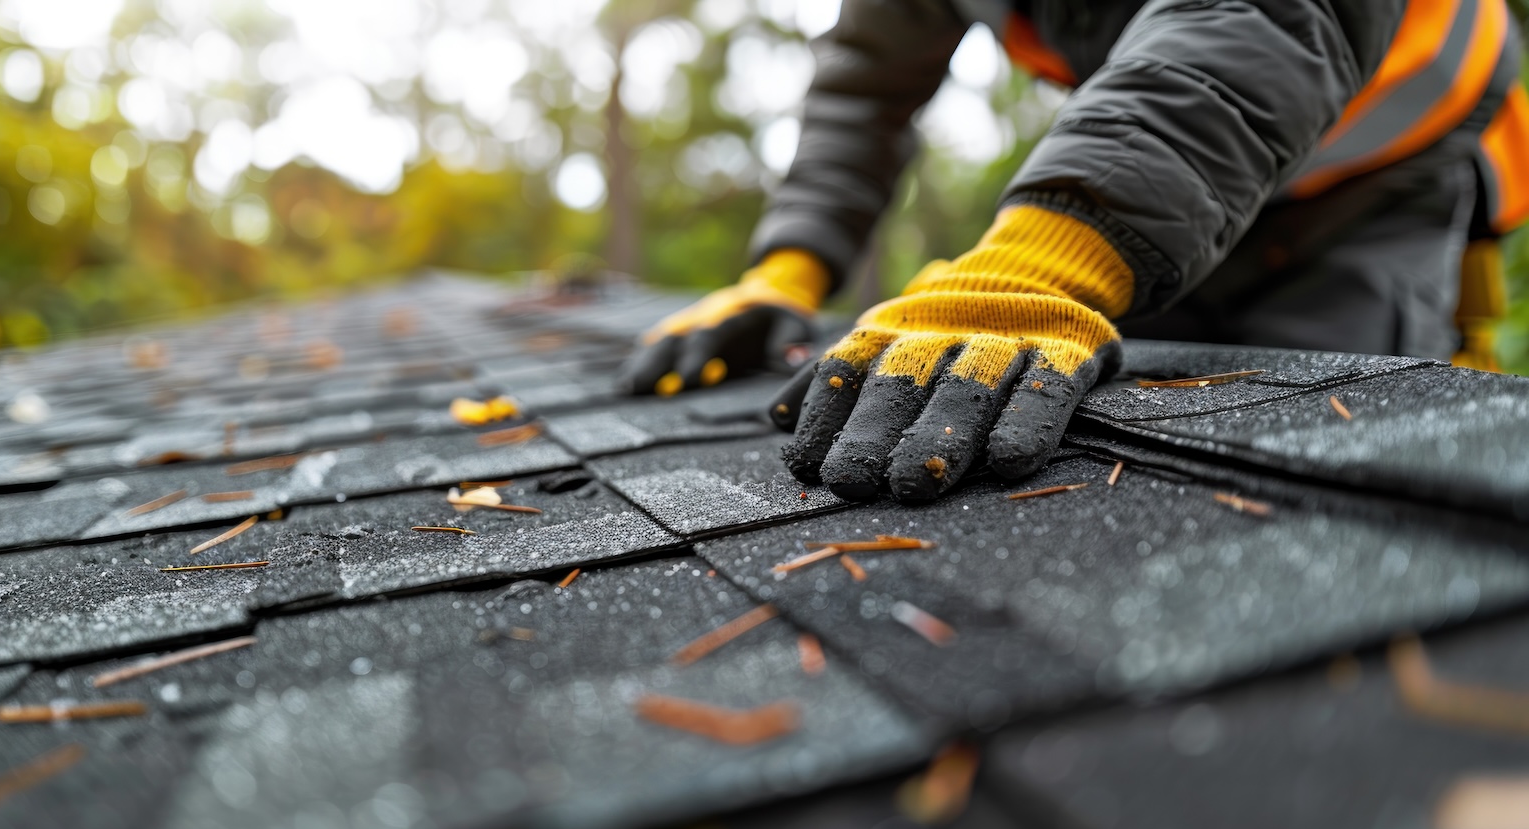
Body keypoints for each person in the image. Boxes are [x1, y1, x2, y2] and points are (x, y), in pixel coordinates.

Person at [619, 0, 1529, 504]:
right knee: (1147, 446)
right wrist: (787, 268)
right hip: (1179, 188)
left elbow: (1259, 16)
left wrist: (1041, 261)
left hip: (1376, 180)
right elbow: (865, 86)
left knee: (1343, 464)